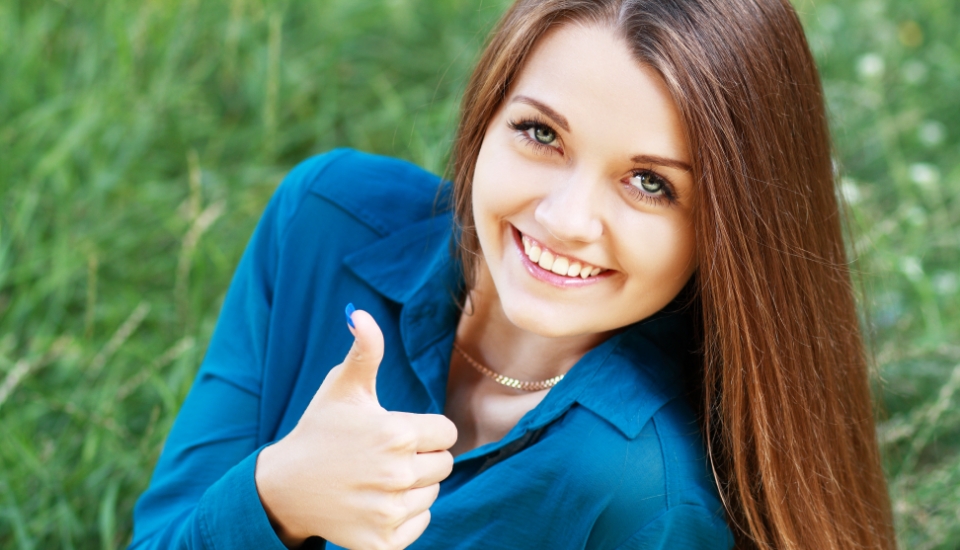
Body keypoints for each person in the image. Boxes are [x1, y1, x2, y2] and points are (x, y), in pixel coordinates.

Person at [130, 0, 897, 548]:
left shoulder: (642, 494)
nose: (566, 219)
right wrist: (280, 496)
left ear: (725, 235)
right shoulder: (324, 221)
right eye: (540, 134)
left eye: (651, 184)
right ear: (485, 116)